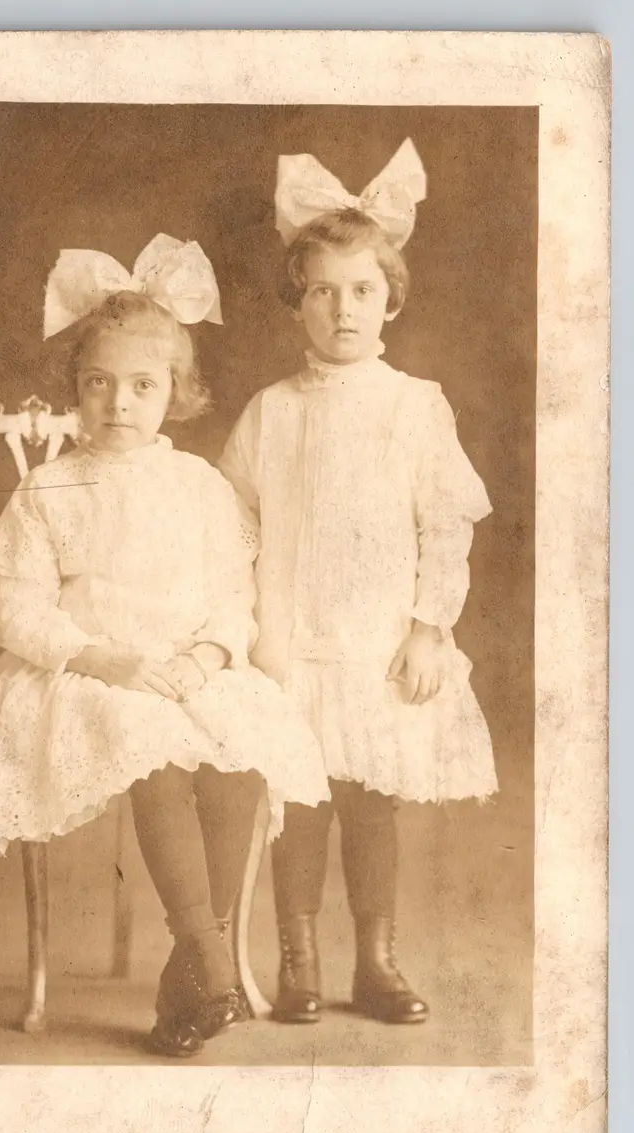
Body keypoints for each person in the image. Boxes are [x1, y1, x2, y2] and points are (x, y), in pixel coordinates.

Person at [0, 234, 329, 1058]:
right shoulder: (48, 487)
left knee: (242, 741)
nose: (117, 403)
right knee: (152, 749)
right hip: (84, 672)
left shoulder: (201, 486)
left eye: (142, 386)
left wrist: (210, 656)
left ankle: (193, 975)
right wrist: (103, 659)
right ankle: (209, 954)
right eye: (97, 384)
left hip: (184, 664)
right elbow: (20, 614)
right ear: (74, 389)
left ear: (175, 391)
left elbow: (230, 597)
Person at [218, 143, 498, 1026]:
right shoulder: (272, 410)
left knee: (370, 806)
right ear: (296, 303)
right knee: (297, 802)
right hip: (291, 639)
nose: (344, 309)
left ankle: (375, 960)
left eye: (363, 290)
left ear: (391, 298)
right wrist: (242, 626)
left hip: (378, 641)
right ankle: (298, 962)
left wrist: (428, 626)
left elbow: (445, 524)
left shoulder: (415, 404)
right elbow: (233, 522)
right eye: (323, 291)